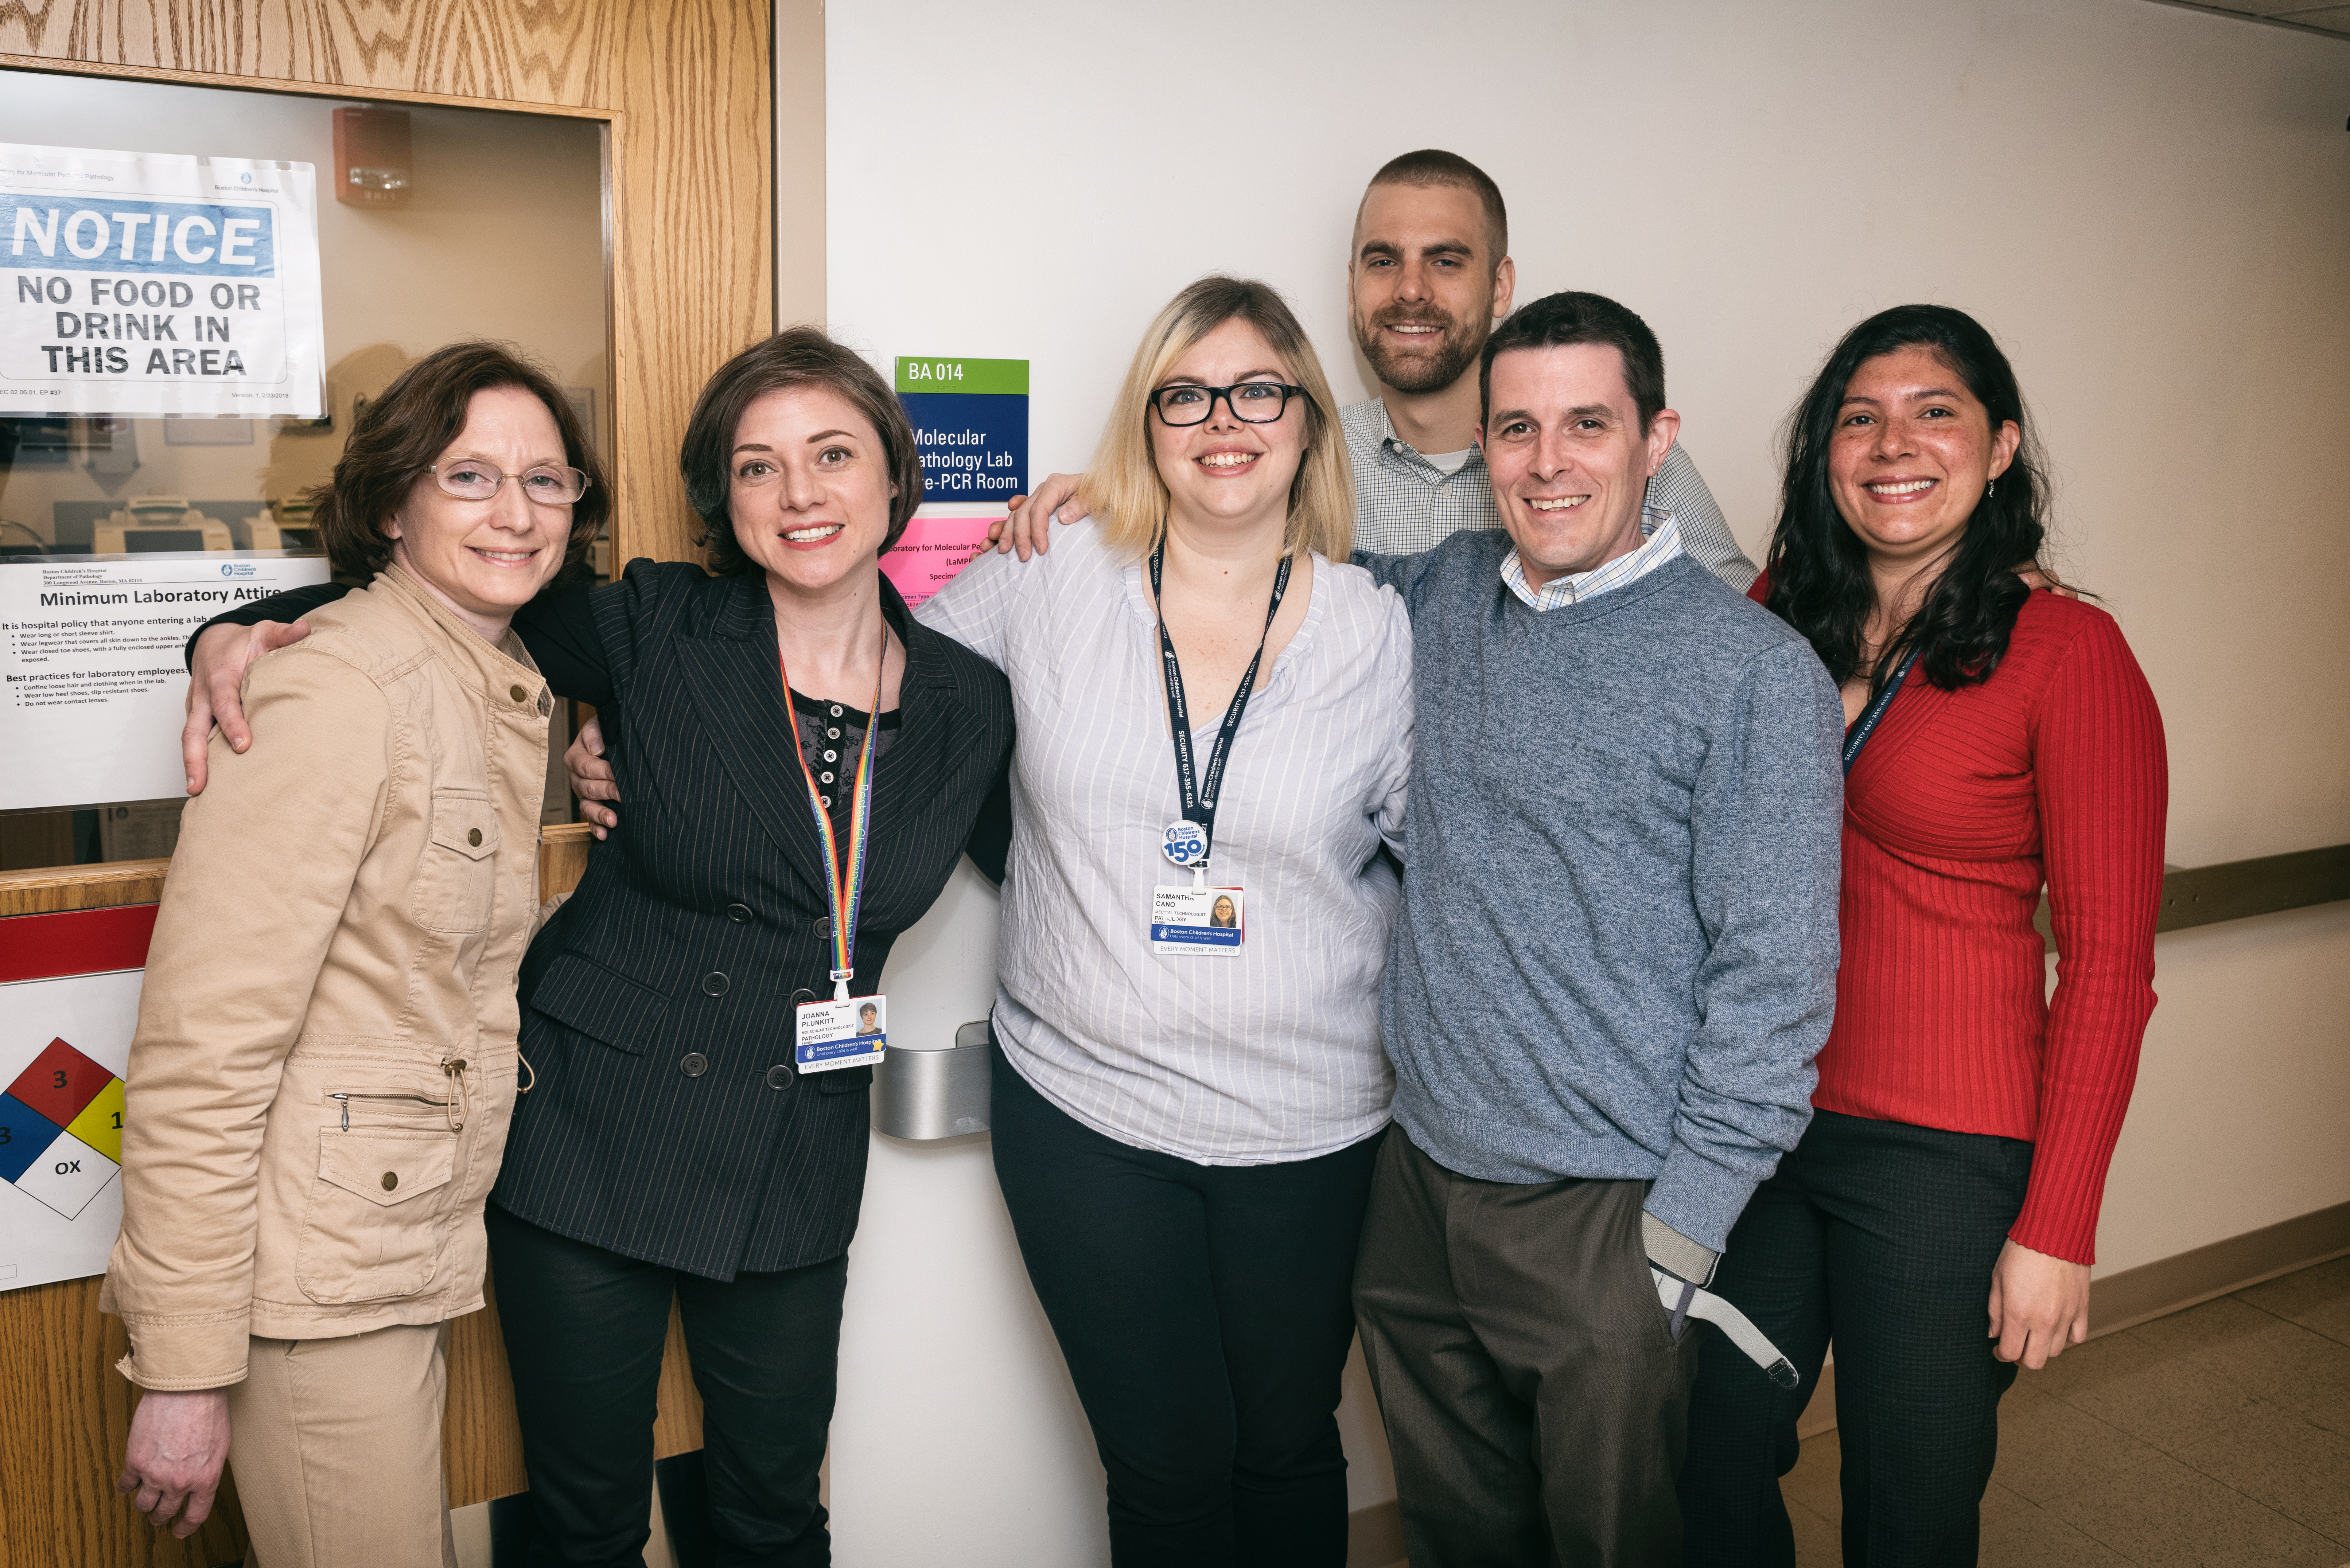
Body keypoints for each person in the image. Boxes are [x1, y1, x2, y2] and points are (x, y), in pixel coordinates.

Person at [177, 328, 1016, 1565]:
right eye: (755, 467)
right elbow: (432, 605)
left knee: (774, 1513)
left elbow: (1055, 864)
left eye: (833, 456)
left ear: (896, 476)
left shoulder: (968, 699)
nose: (799, 496)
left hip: (796, 1145)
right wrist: (231, 631)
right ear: (718, 504)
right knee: (584, 1523)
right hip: (587, 1132)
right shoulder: (655, 626)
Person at [908, 275, 1413, 1566]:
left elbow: (1446, 870)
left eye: (1258, 390)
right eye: (1183, 393)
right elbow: (875, 679)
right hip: (1086, 1114)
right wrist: (622, 734)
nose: (1222, 420)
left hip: (1312, 1126)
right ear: (1144, 422)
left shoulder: (1381, 633)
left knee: (1288, 1445)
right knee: (1168, 1471)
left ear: (1307, 421)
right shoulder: (1050, 574)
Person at [1347, 291, 1844, 1567]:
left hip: (1605, 1215)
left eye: (1585, 424)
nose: (1547, 461)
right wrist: (1099, 505)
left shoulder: (1750, 672)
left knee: (1616, 1546)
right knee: (1461, 1538)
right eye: (1515, 429)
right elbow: (1262, 579)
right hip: (1418, 1186)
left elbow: (1774, 985)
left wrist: (1671, 1251)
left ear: (1653, 439)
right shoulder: (1440, 595)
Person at [1678, 305, 2167, 1566]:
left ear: (1998, 447)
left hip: (1945, 1163)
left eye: (1932, 411)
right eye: (1859, 416)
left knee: (1906, 1503)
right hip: (1765, 1122)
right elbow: (1587, 521)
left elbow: (2109, 966)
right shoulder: (1782, 612)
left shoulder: (2069, 652)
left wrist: (2056, 1226)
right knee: (1697, 1437)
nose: (1892, 443)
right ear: (1824, 453)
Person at [105, 342, 601, 1566]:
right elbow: (200, 1048)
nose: (516, 511)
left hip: (400, 1251)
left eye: (548, 481)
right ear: (392, 505)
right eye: (471, 475)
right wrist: (181, 1365)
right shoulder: (335, 693)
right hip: (310, 1291)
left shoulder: (495, 673)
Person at [995, 149, 1758, 591]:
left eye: (1446, 261)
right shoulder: (1297, 451)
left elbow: (1735, 645)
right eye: (1382, 260)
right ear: (1352, 281)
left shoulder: (1610, 460)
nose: (1411, 290)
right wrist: (1105, 495)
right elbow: (1200, 507)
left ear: (1500, 285)